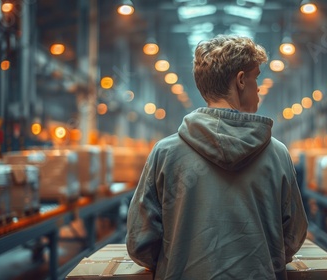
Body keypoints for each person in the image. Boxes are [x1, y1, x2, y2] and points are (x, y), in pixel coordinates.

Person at [126, 34, 308, 279]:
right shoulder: (277, 154)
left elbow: (140, 243)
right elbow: (293, 236)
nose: (259, 90)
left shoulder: (165, 153)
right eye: (257, 79)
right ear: (241, 81)